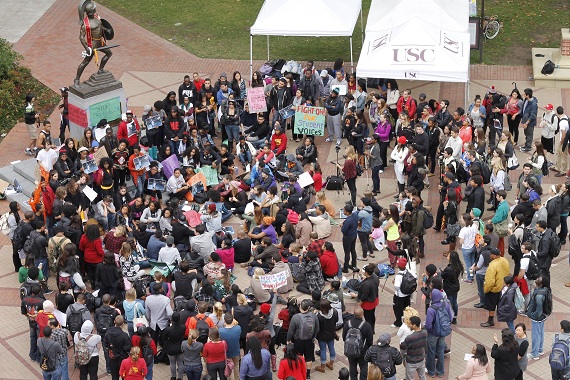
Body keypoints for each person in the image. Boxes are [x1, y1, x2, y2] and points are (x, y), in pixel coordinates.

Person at [287, 299, 320, 378]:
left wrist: (288, 340)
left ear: (300, 307)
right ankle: (308, 375)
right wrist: (313, 336)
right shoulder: (314, 316)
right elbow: (317, 329)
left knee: (298, 357)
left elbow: (291, 331)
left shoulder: (295, 317)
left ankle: (299, 372)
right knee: (309, 358)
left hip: (298, 340)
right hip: (309, 340)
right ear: (308, 307)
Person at [425, 289, 453, 378]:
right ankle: (440, 372)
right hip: (443, 332)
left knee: (431, 352)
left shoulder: (431, 309)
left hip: (433, 333)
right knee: (441, 352)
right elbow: (451, 318)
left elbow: (428, 325)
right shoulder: (446, 305)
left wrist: (430, 330)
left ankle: (431, 371)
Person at [480, 249, 510, 328]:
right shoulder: (505, 260)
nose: (490, 255)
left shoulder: (492, 265)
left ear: (494, 256)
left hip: (494, 289)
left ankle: (490, 320)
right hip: (503, 286)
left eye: (491, 254)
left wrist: (486, 289)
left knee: (491, 306)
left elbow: (490, 281)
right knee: (501, 304)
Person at [342, 307, 373, 380]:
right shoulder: (367, 325)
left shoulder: (348, 324)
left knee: (352, 366)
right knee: (364, 367)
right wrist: (366, 348)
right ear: (362, 315)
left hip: (351, 350)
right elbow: (370, 340)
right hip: (363, 352)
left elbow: (344, 337)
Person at [527, 276, 551, 359]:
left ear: (541, 283)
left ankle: (535, 354)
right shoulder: (545, 290)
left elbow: (538, 310)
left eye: (539, 279)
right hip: (543, 315)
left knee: (535, 335)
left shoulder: (539, 295)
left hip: (537, 317)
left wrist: (533, 315)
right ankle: (540, 350)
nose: (537, 279)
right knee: (540, 333)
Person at [104, 315, 132, 380]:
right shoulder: (124, 335)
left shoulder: (108, 333)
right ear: (122, 324)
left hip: (112, 358)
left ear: (114, 322)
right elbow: (128, 348)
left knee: (114, 377)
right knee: (124, 376)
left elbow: (105, 344)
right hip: (122, 359)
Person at [314, 299, 338, 373]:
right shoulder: (334, 311)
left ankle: (322, 367)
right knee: (332, 348)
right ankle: (331, 364)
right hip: (331, 334)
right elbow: (336, 321)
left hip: (322, 336)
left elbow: (317, 327)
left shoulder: (319, 316)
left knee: (323, 350)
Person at [400, 315, 427, 380]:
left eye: (410, 324)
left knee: (410, 378)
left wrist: (403, 358)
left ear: (414, 325)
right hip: (421, 359)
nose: (409, 325)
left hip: (411, 362)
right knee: (422, 377)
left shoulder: (409, 338)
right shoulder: (425, 332)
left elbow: (403, 347)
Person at [162, 312, 186, 380]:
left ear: (172, 319)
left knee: (172, 363)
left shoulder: (168, 329)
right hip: (180, 348)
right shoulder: (183, 327)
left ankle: (173, 377)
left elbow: (164, 338)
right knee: (180, 363)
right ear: (180, 319)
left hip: (170, 348)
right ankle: (180, 378)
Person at [441, 251, 463, 324]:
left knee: (449, 303)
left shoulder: (449, 269)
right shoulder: (458, 266)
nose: (447, 257)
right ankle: (454, 317)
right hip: (455, 286)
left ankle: (450, 317)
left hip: (449, 288)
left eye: (448, 256)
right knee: (454, 302)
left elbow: (443, 275)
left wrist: (442, 272)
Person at [392, 258, 413, 328]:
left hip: (399, 296)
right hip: (407, 294)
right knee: (407, 308)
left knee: (397, 309)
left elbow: (397, 287)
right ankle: (407, 320)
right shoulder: (408, 271)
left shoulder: (398, 276)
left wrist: (394, 282)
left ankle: (398, 322)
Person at [519, 88, 538, 152]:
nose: (523, 94)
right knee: (526, 133)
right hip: (525, 121)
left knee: (529, 134)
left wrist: (526, 123)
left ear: (528, 95)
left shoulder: (533, 104)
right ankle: (526, 144)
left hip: (529, 123)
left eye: (524, 94)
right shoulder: (526, 100)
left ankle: (528, 146)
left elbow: (533, 115)